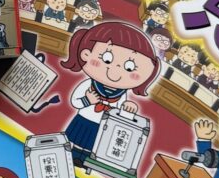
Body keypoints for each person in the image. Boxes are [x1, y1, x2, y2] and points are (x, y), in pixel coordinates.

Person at [60, 21, 161, 168]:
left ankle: (85, 161)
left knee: (92, 145)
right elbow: (75, 101)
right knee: (74, 139)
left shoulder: (121, 93)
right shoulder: (88, 84)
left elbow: (120, 112)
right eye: (107, 59)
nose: (117, 70)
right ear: (86, 54)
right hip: (83, 119)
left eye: (130, 67)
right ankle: (70, 156)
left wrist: (128, 107)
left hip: (102, 125)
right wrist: (87, 100)